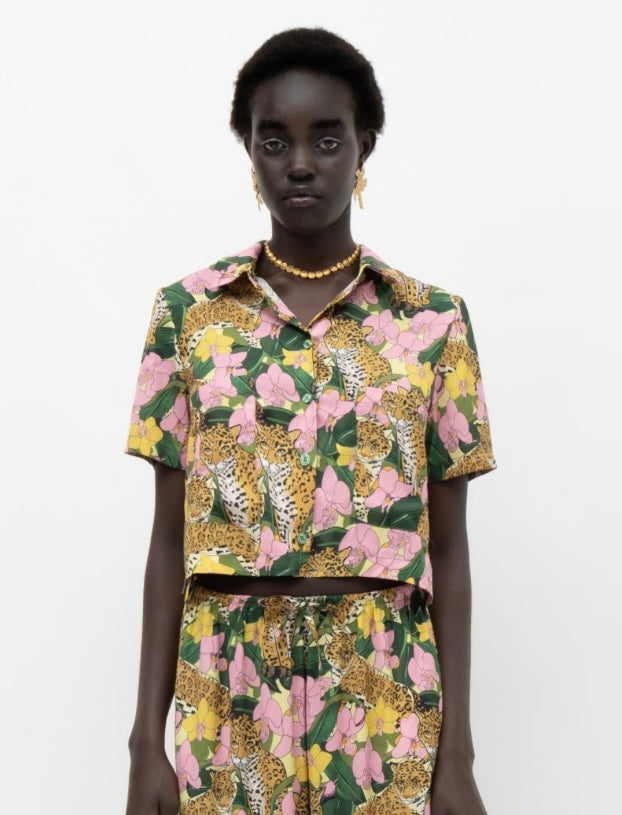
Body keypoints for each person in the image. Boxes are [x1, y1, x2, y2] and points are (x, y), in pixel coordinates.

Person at [123, 27, 496, 815]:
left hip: (383, 688)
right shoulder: (188, 316)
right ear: (250, 154)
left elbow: (450, 551)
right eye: (274, 141)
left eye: (326, 139)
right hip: (224, 684)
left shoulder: (433, 322)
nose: (299, 163)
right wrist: (143, 744)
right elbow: (168, 540)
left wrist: (457, 754)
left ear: (364, 147)